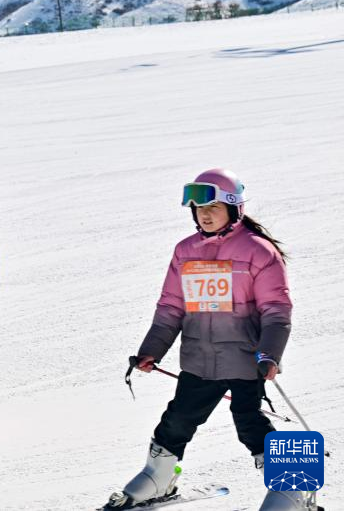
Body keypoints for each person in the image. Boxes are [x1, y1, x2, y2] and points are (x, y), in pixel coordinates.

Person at [106, 169, 297, 510]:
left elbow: (276, 310)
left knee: (249, 422)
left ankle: (292, 489)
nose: (204, 215)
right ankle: (159, 477)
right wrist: (151, 350)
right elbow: (170, 307)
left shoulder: (259, 252)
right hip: (198, 358)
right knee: (177, 419)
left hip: (244, 357)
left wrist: (270, 353)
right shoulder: (186, 251)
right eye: (198, 209)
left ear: (234, 209)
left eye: (213, 208)